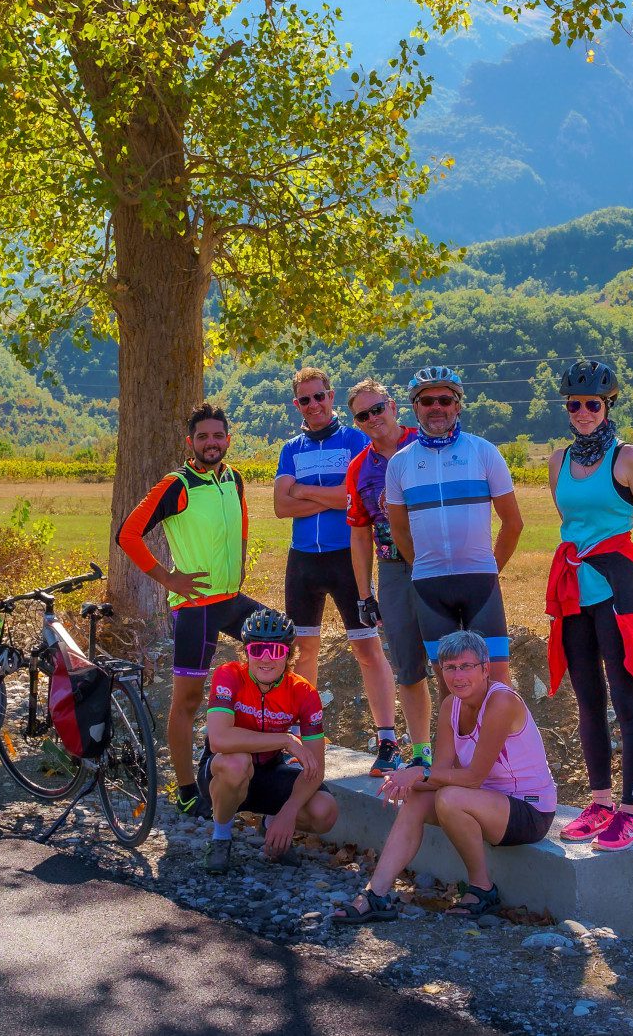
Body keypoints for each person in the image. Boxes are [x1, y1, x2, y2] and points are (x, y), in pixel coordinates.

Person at [330, 630, 556, 923]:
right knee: (418, 798)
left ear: (486, 669)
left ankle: (482, 888)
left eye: (467, 666)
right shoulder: (451, 704)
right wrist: (405, 780)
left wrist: (418, 772)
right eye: (450, 668)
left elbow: (472, 777)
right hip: (486, 803)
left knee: (449, 798)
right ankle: (376, 893)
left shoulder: (501, 702)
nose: (458, 675)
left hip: (530, 810)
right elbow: (444, 770)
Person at [117, 402, 265, 819]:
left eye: (218, 436)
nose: (211, 443)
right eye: (203, 437)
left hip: (230, 601)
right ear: (191, 442)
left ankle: (241, 754)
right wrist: (168, 579)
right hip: (195, 607)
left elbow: (240, 530)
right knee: (186, 700)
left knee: (277, 640)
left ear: (228, 440)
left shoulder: (234, 479)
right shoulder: (176, 483)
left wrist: (236, 574)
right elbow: (127, 534)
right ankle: (184, 789)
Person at [545, 358, 633, 852]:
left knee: (627, 700)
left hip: (617, 591)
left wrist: (630, 581)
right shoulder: (557, 461)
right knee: (587, 700)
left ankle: (631, 812)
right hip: (575, 592)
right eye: (574, 404)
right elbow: (571, 523)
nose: (582, 413)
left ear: (608, 405)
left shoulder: (629, 459)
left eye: (592, 404)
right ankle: (599, 802)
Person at [272, 366, 402, 776]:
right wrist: (331, 497)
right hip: (302, 560)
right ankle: (309, 734)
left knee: (367, 649)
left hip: (348, 557)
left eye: (320, 396)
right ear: (297, 406)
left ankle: (387, 738)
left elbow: (355, 496)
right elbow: (281, 507)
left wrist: (304, 491)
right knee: (303, 651)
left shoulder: (355, 438)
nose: (314, 405)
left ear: (331, 396)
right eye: (305, 400)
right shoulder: (290, 447)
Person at [383, 366, 523, 687]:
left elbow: (513, 523)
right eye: (427, 400)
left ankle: (499, 740)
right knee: (450, 687)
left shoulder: (483, 452)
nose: (437, 407)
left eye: (445, 400)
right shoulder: (400, 463)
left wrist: (490, 568)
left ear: (457, 405)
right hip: (430, 588)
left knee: (496, 683)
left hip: (480, 585)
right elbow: (400, 530)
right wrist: (420, 566)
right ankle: (456, 739)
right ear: (415, 407)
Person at [200, 608, 341, 873]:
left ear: (288, 655)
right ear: (246, 653)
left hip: (270, 771)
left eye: (275, 651)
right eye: (257, 650)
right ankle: (221, 837)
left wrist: (288, 811)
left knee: (325, 811)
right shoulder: (229, 675)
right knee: (236, 763)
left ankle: (270, 823)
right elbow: (219, 739)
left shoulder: (303, 692)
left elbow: (316, 767)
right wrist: (285, 739)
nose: (266, 659)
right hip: (223, 773)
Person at [343, 377, 433, 770]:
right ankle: (421, 753)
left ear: (394, 406)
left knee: (452, 658)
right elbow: (359, 534)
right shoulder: (359, 468)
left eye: (378, 408)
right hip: (394, 566)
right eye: (363, 415)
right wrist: (365, 594)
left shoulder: (428, 440)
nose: (373, 418)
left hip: (438, 560)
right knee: (408, 666)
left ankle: (461, 751)